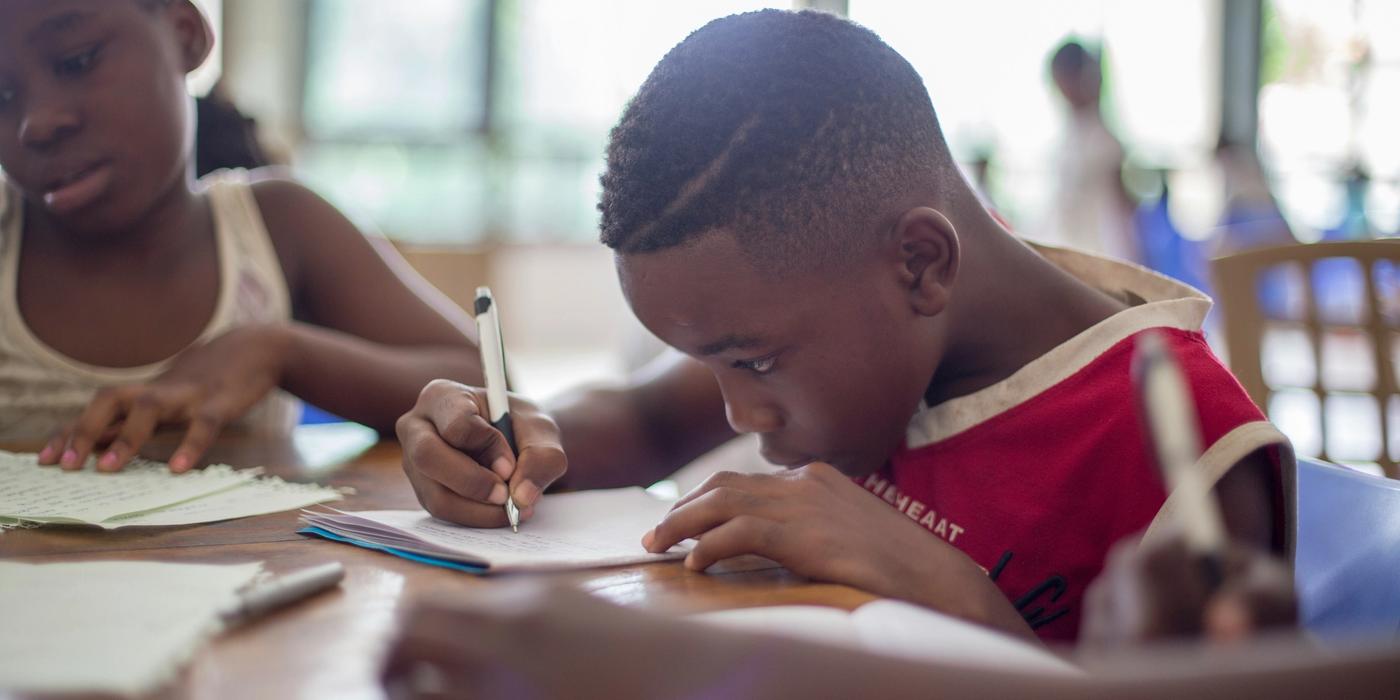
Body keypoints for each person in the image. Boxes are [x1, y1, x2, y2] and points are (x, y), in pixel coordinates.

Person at [395, 9, 1294, 643]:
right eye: (713, 368)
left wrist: (955, 595)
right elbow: (645, 420)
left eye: (752, 360)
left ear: (920, 265)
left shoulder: (1188, 453)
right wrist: (513, 438)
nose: (739, 415)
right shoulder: (863, 319)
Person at [0, 0, 481, 471]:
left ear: (185, 34)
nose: (35, 125)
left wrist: (280, 352)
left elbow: (487, 389)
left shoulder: (278, 227)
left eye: (77, 61)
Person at [1046, 39, 1140, 263]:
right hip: (1069, 250)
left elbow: (1121, 209)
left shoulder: (1103, 139)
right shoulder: (1068, 135)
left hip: (1102, 253)